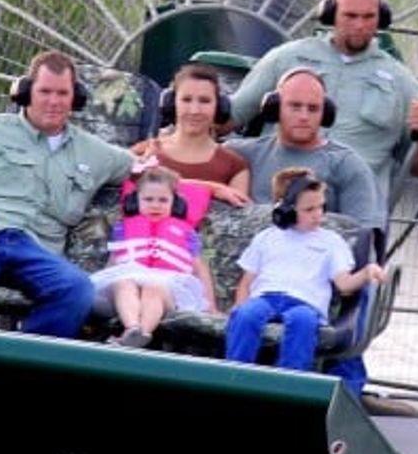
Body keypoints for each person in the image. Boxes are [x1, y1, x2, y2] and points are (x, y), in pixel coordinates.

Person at [0, 50, 137, 335]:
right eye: (45, 91)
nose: (53, 101)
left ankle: (20, 371)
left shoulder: (95, 151)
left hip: (36, 250)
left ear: (77, 97)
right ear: (25, 92)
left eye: (62, 93)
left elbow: (148, 167)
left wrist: (212, 182)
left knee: (78, 288)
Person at [227, 0, 418, 201]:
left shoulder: (402, 82)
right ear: (331, 14)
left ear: (381, 19)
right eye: (350, 16)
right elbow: (231, 116)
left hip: (351, 209)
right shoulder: (286, 58)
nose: (359, 25)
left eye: (368, 17)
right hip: (275, 200)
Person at [224, 168, 384, 372]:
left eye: (321, 207)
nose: (318, 215)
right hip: (265, 297)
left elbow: (344, 285)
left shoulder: (330, 241)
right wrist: (239, 306)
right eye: (309, 210)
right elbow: (247, 282)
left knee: (303, 321)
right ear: (285, 210)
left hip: (305, 303)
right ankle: (235, 375)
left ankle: (290, 381)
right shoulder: (266, 238)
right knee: (246, 315)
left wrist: (367, 272)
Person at [225, 68, 385, 232]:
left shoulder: (346, 165)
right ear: (274, 108)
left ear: (325, 114)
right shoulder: (241, 154)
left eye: (313, 109)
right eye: (295, 106)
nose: (304, 116)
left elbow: (363, 235)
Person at [92, 165, 215, 348]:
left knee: (153, 287)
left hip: (168, 285)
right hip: (129, 275)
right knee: (122, 282)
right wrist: (104, 280)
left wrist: (211, 305)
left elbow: (200, 268)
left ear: (175, 203)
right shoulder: (122, 228)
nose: (155, 205)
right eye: (148, 199)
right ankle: (132, 328)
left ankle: (143, 332)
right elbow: (114, 260)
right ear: (136, 201)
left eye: (163, 200)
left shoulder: (187, 233)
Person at [131, 63, 250, 206]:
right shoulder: (143, 152)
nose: (195, 110)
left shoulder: (234, 165)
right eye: (186, 100)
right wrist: (213, 189)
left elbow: (240, 217)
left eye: (204, 101)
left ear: (219, 107)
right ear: (171, 104)